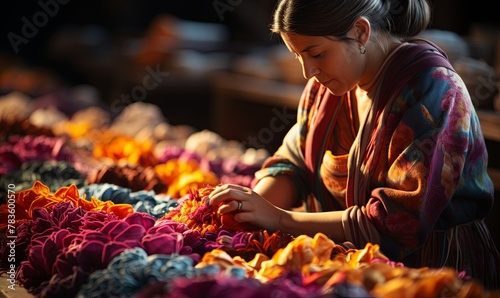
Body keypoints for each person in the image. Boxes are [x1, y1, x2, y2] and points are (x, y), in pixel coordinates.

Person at [208, 0, 500, 290]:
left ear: (361, 32)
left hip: (433, 273)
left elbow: (397, 224)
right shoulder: (329, 88)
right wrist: (247, 212)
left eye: (317, 54)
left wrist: (280, 219)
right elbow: (292, 163)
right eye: (298, 57)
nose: (308, 71)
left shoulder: (432, 91)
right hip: (353, 267)